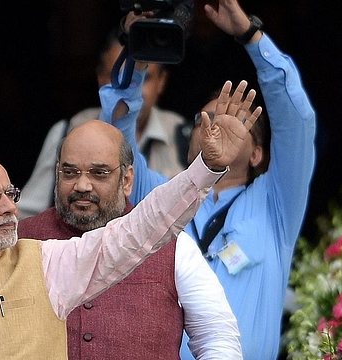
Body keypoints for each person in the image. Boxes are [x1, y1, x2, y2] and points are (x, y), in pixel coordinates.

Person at [0, 79, 262, 359]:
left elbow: (141, 229)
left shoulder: (44, 260)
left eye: (11, 194)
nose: (9, 207)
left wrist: (205, 168)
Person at [18, 118, 241, 359]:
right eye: (70, 172)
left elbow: (217, 336)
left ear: (126, 180)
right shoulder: (21, 242)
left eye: (99, 173)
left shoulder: (174, 247)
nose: (82, 185)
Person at [178, 1, 317, 359]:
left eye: (236, 120)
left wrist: (251, 36)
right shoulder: (161, 196)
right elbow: (118, 152)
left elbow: (296, 122)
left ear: (257, 154)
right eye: (204, 118)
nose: (216, 127)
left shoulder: (277, 203)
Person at [17, 28, 188, 219]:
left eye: (143, 78)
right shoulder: (67, 131)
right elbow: (26, 215)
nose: (131, 89)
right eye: (119, 78)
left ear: (161, 82)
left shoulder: (184, 135)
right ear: (100, 78)